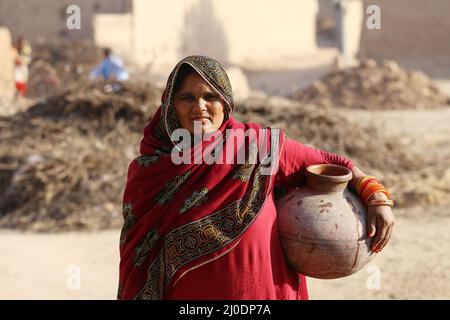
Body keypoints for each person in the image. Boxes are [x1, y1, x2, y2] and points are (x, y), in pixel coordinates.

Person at [117, 55, 395, 300]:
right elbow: (140, 257)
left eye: (210, 96)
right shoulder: (151, 171)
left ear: (225, 104)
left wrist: (376, 197)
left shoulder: (258, 147)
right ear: (170, 106)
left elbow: (336, 164)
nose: (199, 106)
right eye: (187, 97)